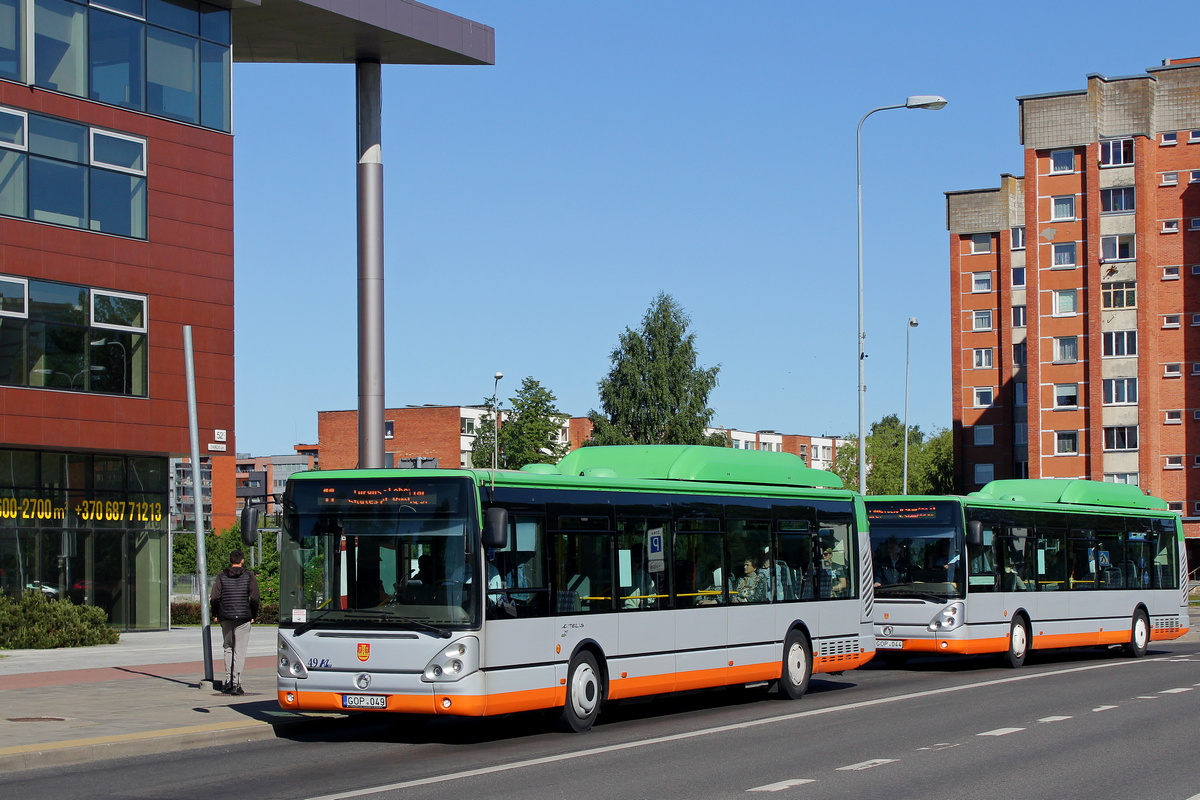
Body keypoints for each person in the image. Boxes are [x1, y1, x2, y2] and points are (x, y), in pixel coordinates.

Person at [210, 550, 260, 696]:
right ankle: (237, 684)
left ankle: (227, 682)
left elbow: (214, 597)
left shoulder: (221, 575)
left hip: (226, 616)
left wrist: (216, 614)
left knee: (228, 647)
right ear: (242, 560)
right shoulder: (249, 575)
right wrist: (252, 614)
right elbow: (255, 597)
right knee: (240, 650)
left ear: (229, 560)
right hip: (244, 617)